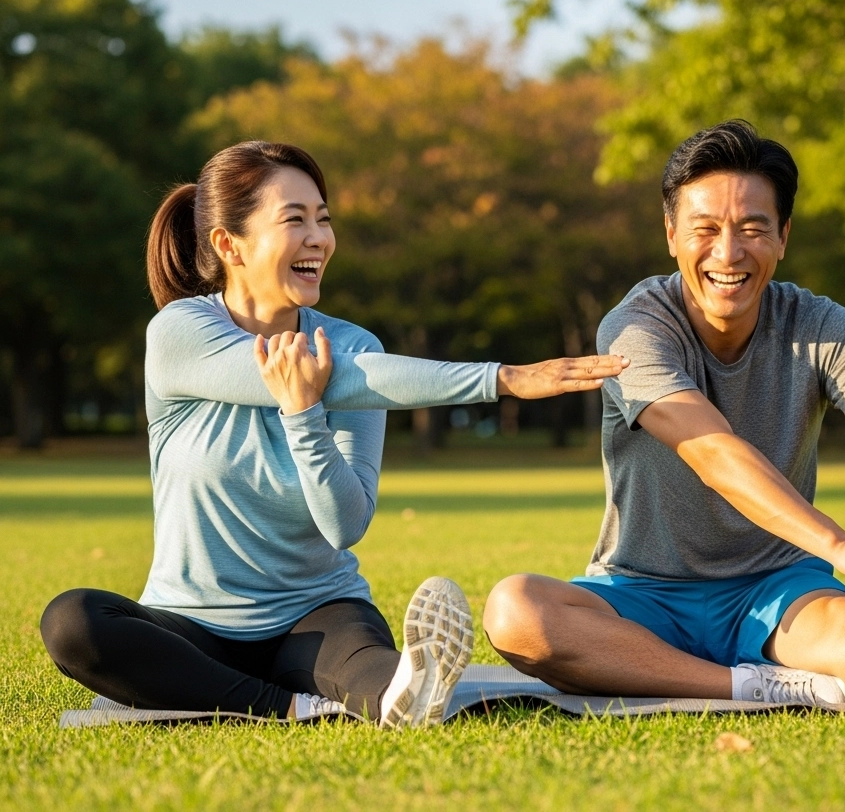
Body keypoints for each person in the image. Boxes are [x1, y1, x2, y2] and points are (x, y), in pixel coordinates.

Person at [40, 140, 627, 728]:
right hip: (191, 625)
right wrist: (502, 378)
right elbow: (342, 379)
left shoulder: (354, 345)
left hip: (317, 617)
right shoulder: (181, 332)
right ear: (229, 244)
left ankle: (401, 688)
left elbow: (344, 525)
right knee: (73, 622)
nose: (318, 238)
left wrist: (303, 418)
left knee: (374, 679)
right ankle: (288, 707)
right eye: (294, 220)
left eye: (323, 219)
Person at [484, 120, 845, 716]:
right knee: (516, 610)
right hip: (639, 593)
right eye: (705, 229)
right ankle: (754, 686)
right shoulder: (634, 329)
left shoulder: (825, 327)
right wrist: (837, 543)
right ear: (671, 234)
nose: (728, 253)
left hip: (780, 588)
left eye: (753, 229)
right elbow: (711, 451)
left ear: (783, 237)